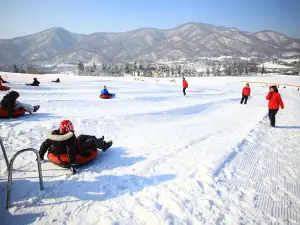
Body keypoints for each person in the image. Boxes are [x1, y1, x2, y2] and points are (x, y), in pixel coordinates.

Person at [39, 120, 113, 174]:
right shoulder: (68, 138)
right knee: (91, 141)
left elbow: (44, 145)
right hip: (78, 149)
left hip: (75, 144)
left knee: (82, 136)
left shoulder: (54, 136)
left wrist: (40, 156)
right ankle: (103, 145)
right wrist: (72, 164)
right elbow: (71, 150)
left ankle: (98, 141)